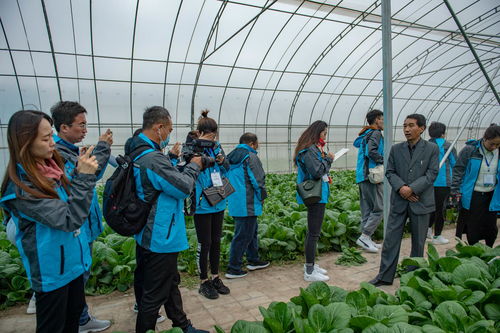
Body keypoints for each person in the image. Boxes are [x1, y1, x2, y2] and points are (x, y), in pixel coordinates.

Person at [0, 110, 98, 333]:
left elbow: (72, 202)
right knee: (53, 327)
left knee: (72, 323)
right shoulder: (22, 188)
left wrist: (79, 174)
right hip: (52, 272)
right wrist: (83, 177)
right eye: (45, 139)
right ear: (25, 143)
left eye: (50, 135)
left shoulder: (51, 170)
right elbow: (69, 218)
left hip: (72, 264)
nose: (52, 143)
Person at [126, 106, 207, 333]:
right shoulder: (152, 159)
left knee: (169, 283)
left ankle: (183, 326)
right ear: (159, 127)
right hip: (161, 234)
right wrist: (194, 166)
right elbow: (182, 187)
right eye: (169, 129)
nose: (170, 134)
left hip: (148, 231)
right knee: (153, 296)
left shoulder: (138, 152)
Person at [49, 101, 112, 333]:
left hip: (82, 222)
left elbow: (89, 178)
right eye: (81, 125)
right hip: (76, 225)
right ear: (63, 127)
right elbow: (82, 182)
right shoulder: (57, 155)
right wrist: (103, 148)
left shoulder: (69, 151)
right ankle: (79, 321)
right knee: (77, 277)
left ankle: (81, 318)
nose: (85, 129)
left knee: (80, 275)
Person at [369, 114, 439, 287]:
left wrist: (412, 188)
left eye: (411, 126)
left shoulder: (431, 149)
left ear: (422, 128)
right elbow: (390, 172)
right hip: (400, 200)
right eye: (404, 126)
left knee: (418, 242)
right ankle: (385, 276)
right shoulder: (396, 149)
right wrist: (402, 188)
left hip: (420, 201)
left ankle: (412, 277)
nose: (407, 129)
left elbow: (432, 173)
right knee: (391, 239)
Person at [182, 110, 231, 299]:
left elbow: (226, 167)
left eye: (215, 135)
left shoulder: (217, 147)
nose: (213, 138)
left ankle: (216, 276)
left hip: (218, 198)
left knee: (217, 241)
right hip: (202, 202)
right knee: (205, 242)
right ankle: (204, 281)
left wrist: (221, 159)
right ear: (200, 132)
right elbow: (186, 165)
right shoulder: (191, 147)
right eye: (209, 135)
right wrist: (200, 152)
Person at [294, 120, 335, 282]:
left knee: (313, 232)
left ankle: (310, 265)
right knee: (313, 233)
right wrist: (329, 159)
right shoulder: (309, 150)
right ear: (317, 133)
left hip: (319, 194)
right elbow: (317, 171)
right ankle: (309, 270)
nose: (325, 136)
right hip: (314, 196)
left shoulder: (311, 149)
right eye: (324, 133)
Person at [226, 133, 270, 279]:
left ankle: (253, 259)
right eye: (257, 143)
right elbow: (258, 180)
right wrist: (262, 197)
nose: (258, 146)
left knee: (251, 231)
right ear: (252, 143)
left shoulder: (230, 156)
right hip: (248, 202)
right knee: (243, 235)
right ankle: (234, 268)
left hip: (235, 201)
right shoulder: (250, 156)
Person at [451, 125, 500, 247]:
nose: (494, 147)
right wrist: (456, 190)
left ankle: (489, 251)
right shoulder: (470, 150)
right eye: (492, 144)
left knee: (491, 227)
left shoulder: (498, 152)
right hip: (474, 195)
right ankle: (474, 251)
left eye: (498, 145)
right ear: (485, 138)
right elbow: (458, 170)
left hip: (492, 195)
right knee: (473, 227)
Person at [353, 109, 384, 253]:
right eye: (382, 119)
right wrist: (384, 161)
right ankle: (365, 236)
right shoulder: (376, 133)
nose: (384, 122)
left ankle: (367, 239)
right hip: (372, 175)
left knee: (367, 210)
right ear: (377, 119)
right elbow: (371, 152)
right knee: (379, 209)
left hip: (362, 175)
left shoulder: (366, 133)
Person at [427, 122, 457, 245]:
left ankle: (428, 230)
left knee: (429, 207)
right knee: (440, 209)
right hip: (443, 182)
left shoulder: (426, 145)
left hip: (428, 181)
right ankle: (437, 235)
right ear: (443, 133)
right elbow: (455, 163)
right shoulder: (448, 146)